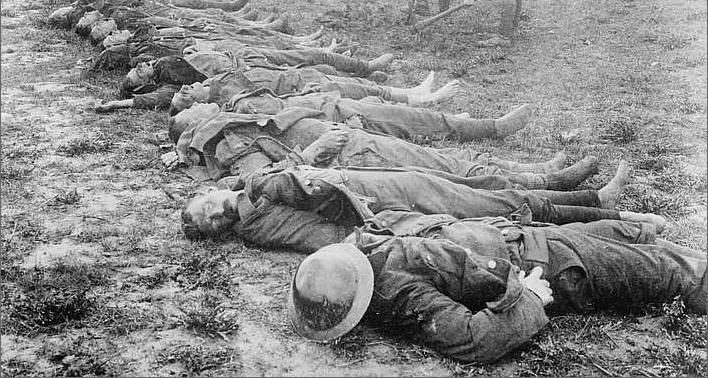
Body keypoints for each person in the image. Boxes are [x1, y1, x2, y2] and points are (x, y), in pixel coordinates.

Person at [287, 213, 705, 362]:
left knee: (634, 236)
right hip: (556, 268)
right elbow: (474, 341)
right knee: (675, 275)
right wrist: (531, 299)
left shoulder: (362, 247)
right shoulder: (401, 296)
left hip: (526, 235)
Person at [180, 161, 667, 248]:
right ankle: (610, 211)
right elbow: (315, 235)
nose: (217, 209)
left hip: (374, 181)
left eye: (207, 205)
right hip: (377, 203)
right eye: (211, 222)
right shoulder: (256, 221)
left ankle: (578, 191)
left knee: (482, 186)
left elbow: (300, 177)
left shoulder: (248, 187)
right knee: (498, 204)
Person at [168, 102, 599, 190]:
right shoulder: (226, 140)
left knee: (441, 160)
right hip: (349, 158)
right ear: (196, 124)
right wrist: (319, 147)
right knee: (442, 173)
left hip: (352, 142)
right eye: (198, 106)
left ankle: (534, 171)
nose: (204, 98)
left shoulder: (229, 123)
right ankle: (545, 182)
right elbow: (263, 181)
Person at [95, 52, 457, 112]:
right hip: (286, 83)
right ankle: (415, 97)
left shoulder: (161, 60)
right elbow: (145, 102)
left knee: (337, 73)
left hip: (257, 65)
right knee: (353, 89)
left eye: (138, 65)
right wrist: (117, 102)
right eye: (138, 72)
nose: (143, 65)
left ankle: (399, 87)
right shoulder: (174, 89)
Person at [195, 86, 534, 141]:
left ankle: (452, 122)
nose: (196, 103)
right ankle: (491, 128)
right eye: (192, 111)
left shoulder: (236, 105)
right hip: (336, 119)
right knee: (404, 121)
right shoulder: (237, 122)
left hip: (331, 106)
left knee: (398, 115)